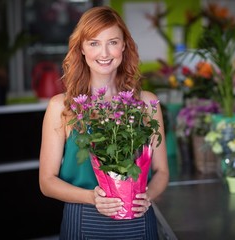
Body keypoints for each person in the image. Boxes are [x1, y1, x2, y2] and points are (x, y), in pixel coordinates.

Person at [39, 6, 169, 239]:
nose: (104, 52)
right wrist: (91, 197)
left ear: (124, 46)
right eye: (94, 43)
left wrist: (147, 195)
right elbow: (46, 182)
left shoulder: (147, 103)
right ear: (81, 49)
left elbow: (161, 171)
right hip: (83, 219)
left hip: (138, 219)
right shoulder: (62, 107)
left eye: (112, 42)